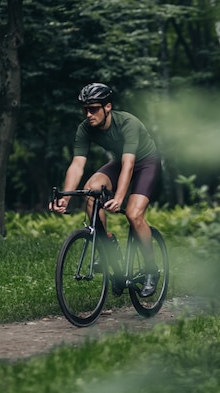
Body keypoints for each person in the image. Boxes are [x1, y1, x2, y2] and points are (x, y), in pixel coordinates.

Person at [50, 83, 161, 297]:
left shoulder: (128, 123)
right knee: (91, 191)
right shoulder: (85, 128)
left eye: (93, 109)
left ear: (107, 107)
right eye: (85, 109)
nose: (88, 114)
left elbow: (129, 165)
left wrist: (119, 197)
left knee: (133, 214)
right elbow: (77, 164)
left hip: (145, 163)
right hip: (120, 163)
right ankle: (108, 246)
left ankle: (151, 269)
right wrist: (65, 198)